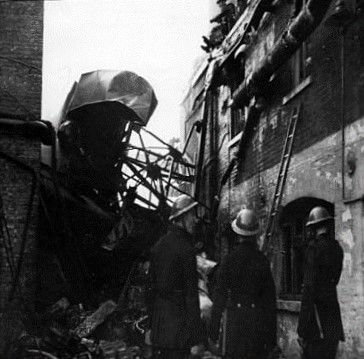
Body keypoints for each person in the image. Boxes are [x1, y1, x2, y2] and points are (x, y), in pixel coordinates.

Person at [209, 208, 277, 359]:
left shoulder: (229, 260)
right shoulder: (262, 261)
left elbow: (218, 297)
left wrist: (213, 333)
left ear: (237, 233)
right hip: (256, 327)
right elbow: (270, 303)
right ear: (255, 234)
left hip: (235, 326)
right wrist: (272, 341)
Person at [148, 195, 204, 359]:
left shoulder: (158, 246)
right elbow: (191, 296)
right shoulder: (186, 249)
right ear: (184, 216)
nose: (195, 220)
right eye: (193, 215)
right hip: (179, 331)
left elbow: (150, 290)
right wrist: (196, 338)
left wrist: (150, 327)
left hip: (160, 329)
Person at [297, 206, 345, 359]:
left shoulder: (313, 249)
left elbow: (309, 289)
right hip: (333, 318)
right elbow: (335, 280)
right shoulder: (337, 248)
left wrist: (302, 329)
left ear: (312, 228)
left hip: (316, 323)